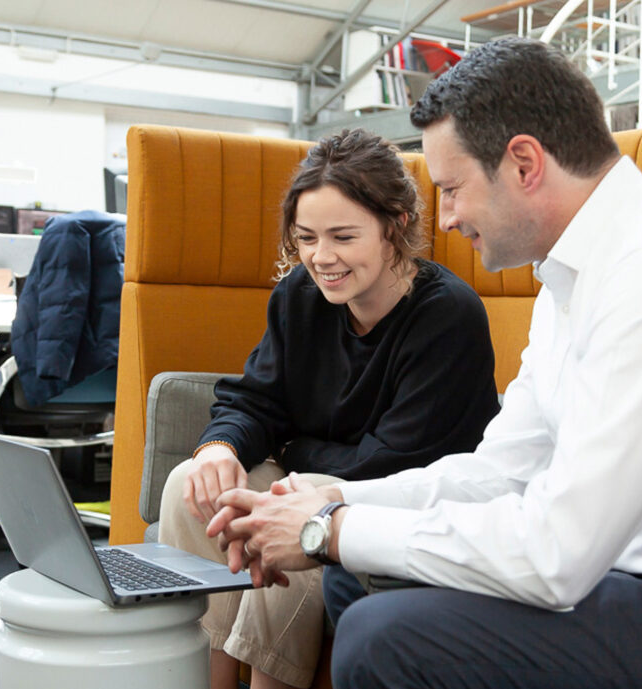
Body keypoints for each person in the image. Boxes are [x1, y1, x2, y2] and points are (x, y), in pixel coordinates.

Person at [206, 37, 642, 689]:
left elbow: (556, 553)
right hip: (630, 582)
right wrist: (339, 498)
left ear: (524, 163)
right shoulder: (576, 279)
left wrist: (329, 530)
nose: (444, 218)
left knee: (385, 632)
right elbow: (502, 472)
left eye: (453, 188)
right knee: (361, 575)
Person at [157, 128, 500, 689]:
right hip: (314, 481)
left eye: (343, 236)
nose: (322, 258)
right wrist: (217, 447)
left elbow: (391, 464)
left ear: (398, 226)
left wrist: (292, 453)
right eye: (307, 237)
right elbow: (255, 401)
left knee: (294, 502)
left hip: (392, 508)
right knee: (188, 484)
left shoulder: (448, 317)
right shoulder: (299, 294)